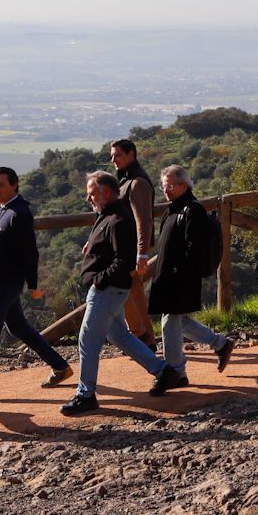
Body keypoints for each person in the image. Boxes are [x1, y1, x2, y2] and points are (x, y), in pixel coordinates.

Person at [61, 172, 177, 415]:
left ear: (106, 192)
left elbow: (123, 261)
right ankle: (163, 371)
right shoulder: (108, 216)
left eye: (92, 193)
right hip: (110, 290)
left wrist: (98, 281)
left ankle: (86, 395)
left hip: (107, 291)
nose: (88, 197)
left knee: (88, 339)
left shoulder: (118, 220)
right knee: (119, 336)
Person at [0, 166, 74, 402]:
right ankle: (60, 366)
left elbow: (30, 253)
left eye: (0, 184)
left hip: (3, 282)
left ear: (14, 185)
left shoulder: (19, 213)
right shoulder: (2, 210)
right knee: (18, 328)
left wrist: (33, 285)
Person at [148, 165, 234, 392]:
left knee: (170, 323)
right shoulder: (172, 209)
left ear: (183, 186)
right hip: (169, 277)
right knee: (180, 322)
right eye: (163, 186)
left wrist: (178, 272)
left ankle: (175, 371)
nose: (165, 190)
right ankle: (221, 344)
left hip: (181, 278)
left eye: (169, 186)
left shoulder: (192, 210)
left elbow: (193, 248)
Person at [110, 138, 159, 348]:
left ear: (132, 155)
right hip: (125, 246)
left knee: (133, 290)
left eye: (118, 155)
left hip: (132, 247)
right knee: (130, 290)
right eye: (112, 156)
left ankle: (144, 337)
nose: (114, 160)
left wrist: (142, 252)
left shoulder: (137, 182)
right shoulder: (126, 180)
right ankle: (141, 336)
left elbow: (144, 220)